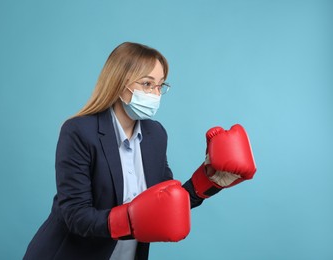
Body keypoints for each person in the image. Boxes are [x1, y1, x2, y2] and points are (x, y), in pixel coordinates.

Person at [23, 42, 256, 260]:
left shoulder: (156, 135)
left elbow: (165, 202)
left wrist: (209, 180)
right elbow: (76, 216)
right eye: (146, 84)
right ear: (120, 83)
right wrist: (130, 219)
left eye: (160, 85)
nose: (155, 94)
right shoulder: (79, 132)